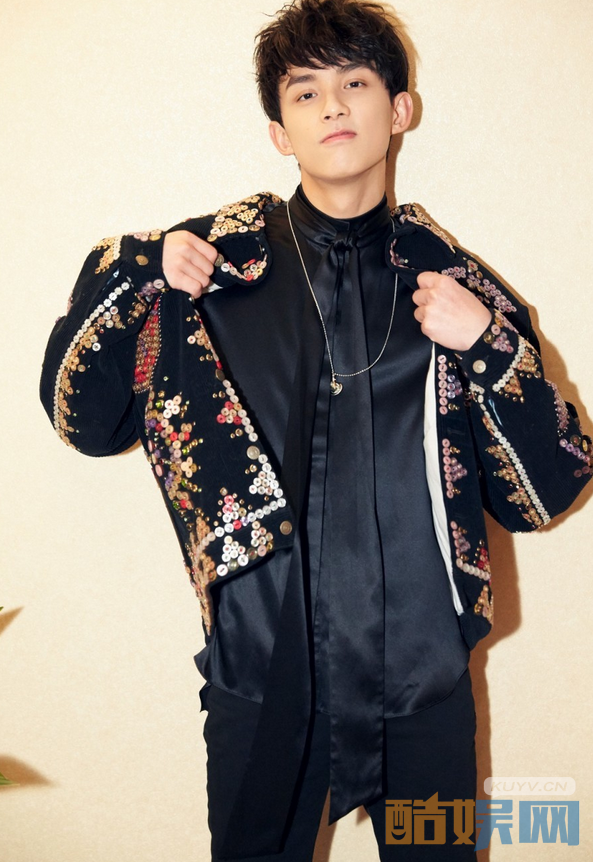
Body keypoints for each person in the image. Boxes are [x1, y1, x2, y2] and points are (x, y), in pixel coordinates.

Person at [39, 1, 591, 859]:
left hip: (422, 689)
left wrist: (485, 344)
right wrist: (135, 270)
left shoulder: (454, 288)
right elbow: (84, 421)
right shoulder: (209, 268)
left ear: (398, 109)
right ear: (278, 131)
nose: (332, 106)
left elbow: (546, 492)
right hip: (262, 681)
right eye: (305, 92)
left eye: (355, 83)